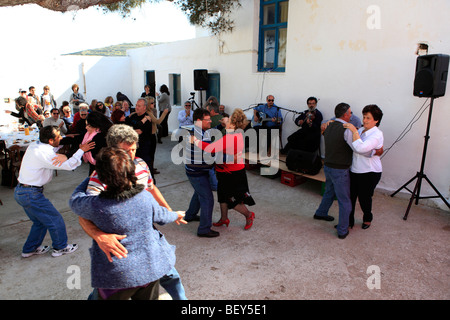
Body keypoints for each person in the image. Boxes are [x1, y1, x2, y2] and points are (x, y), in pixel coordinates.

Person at [79, 124, 187, 300]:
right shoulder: (100, 176)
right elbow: (84, 213)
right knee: (108, 289)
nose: (132, 155)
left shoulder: (141, 163)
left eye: (134, 150)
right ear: (112, 151)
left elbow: (152, 189)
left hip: (146, 236)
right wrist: (99, 236)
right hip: (119, 246)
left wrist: (169, 211)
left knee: (170, 275)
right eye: (126, 151)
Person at [14, 125, 95, 258]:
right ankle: (60, 247)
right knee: (55, 219)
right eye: (58, 137)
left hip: (23, 192)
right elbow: (69, 165)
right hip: (31, 194)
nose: (61, 138)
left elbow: (54, 150)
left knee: (40, 222)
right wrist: (81, 150)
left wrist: (67, 142)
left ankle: (29, 249)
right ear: (50, 140)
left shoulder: (36, 145)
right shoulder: (44, 154)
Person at [192, 108, 256, 230]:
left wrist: (195, 141)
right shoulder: (235, 133)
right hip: (224, 171)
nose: (226, 119)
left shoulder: (230, 138)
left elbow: (211, 148)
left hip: (233, 173)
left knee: (232, 200)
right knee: (222, 196)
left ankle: (249, 215)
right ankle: (224, 218)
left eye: (229, 119)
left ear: (233, 124)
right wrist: (225, 124)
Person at [314, 103, 354, 239]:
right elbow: (356, 147)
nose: (351, 115)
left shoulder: (328, 126)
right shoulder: (347, 130)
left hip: (328, 166)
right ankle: (343, 230)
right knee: (344, 200)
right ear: (345, 115)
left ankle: (321, 212)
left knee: (329, 192)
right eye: (350, 113)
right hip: (340, 168)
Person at [343, 105, 384, 230]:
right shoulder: (361, 130)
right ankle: (349, 221)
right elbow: (353, 146)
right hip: (355, 169)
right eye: (364, 117)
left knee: (364, 198)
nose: (364, 120)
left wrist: (353, 131)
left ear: (376, 120)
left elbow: (360, 148)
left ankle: (367, 218)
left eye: (368, 118)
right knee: (350, 197)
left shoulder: (377, 134)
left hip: (369, 172)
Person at [184, 108, 220, 238]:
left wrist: (221, 125)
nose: (210, 121)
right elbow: (211, 151)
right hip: (197, 172)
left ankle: (190, 215)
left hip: (196, 170)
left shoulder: (199, 130)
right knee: (207, 198)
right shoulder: (199, 135)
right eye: (208, 119)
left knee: (199, 193)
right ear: (199, 120)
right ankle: (204, 229)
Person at [125, 98, 153, 168]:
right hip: (132, 147)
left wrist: (132, 130)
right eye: (136, 105)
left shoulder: (147, 118)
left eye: (139, 106)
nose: (136, 107)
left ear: (144, 107)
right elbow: (126, 127)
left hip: (143, 148)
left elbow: (140, 132)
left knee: (145, 166)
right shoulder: (133, 116)